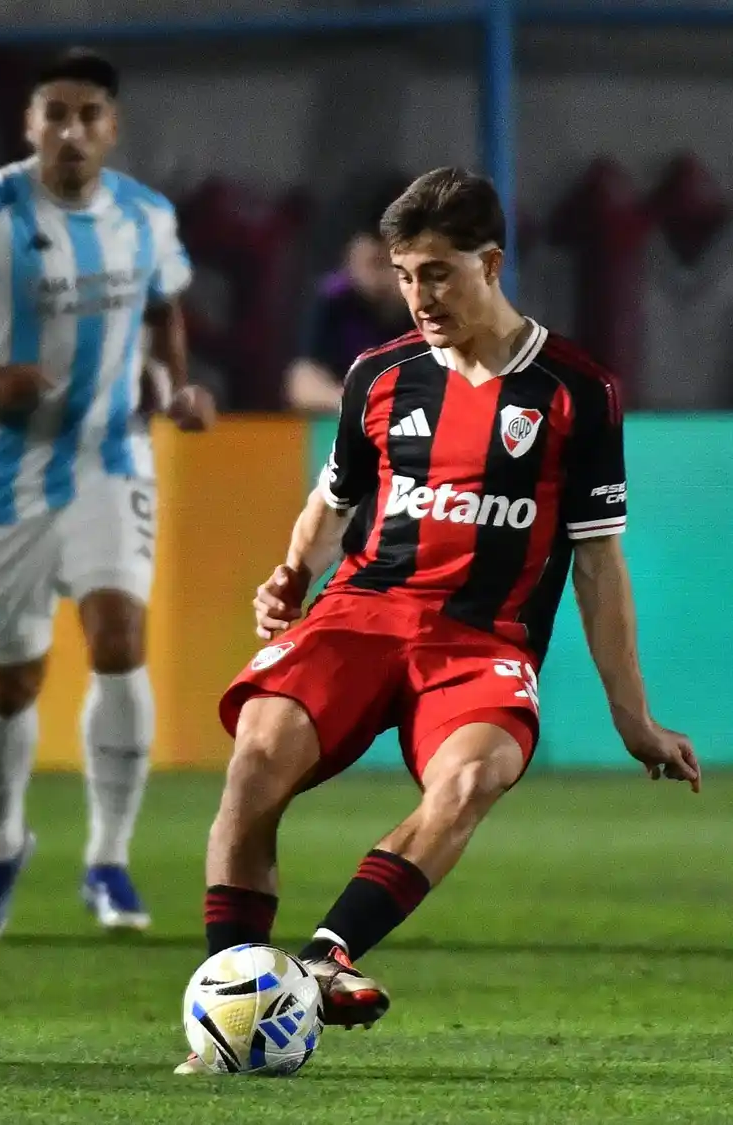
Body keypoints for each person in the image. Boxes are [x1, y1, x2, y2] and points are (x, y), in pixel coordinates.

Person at [180, 168, 699, 1072]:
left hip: (482, 642)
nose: (418, 296)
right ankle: (232, 1001)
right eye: (404, 275)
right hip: (361, 613)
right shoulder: (379, 376)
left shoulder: (577, 391)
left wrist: (634, 719)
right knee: (256, 754)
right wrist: (292, 574)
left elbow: (598, 563)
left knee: (473, 776)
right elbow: (333, 499)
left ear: (490, 264)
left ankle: (322, 959)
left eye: (436, 274)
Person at [0, 48, 216, 940]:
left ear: (113, 125)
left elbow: (165, 310)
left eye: (88, 114)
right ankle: (2, 846)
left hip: (112, 458)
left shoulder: (147, 217)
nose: (72, 131)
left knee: (120, 639)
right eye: (55, 114)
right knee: (12, 679)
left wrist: (175, 388)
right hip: (7, 474)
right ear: (30, 124)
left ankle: (109, 859)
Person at [283, 182, 413, 413]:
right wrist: (362, 404)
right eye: (376, 262)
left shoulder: (429, 308)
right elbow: (302, 385)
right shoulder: (333, 302)